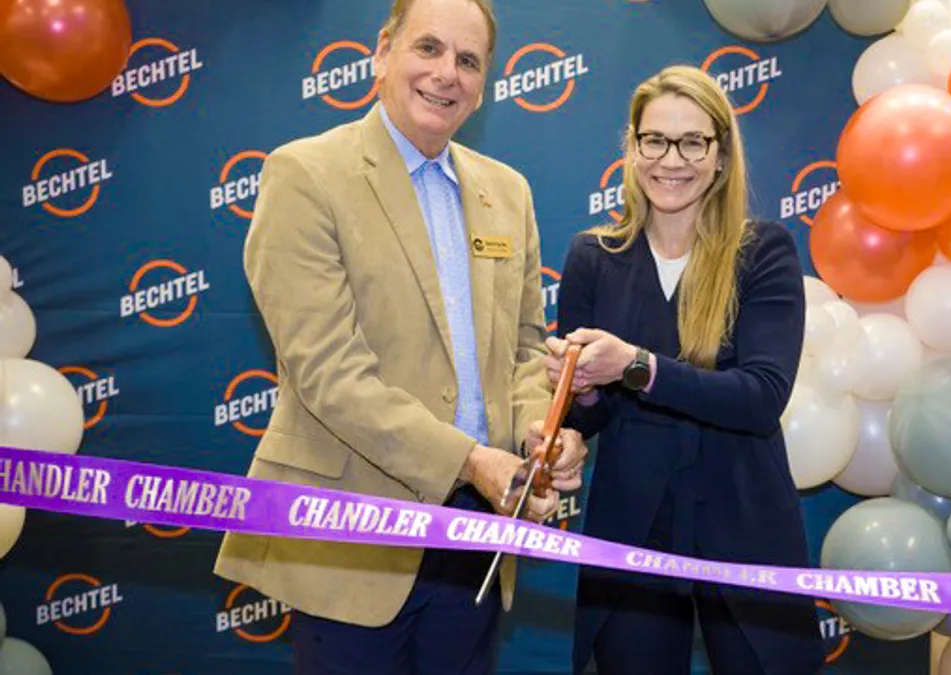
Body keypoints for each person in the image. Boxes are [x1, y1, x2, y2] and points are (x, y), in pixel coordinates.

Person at [212, 0, 587, 673]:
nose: (447, 74)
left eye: (468, 61)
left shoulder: (510, 192)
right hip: (351, 537)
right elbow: (329, 373)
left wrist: (539, 429)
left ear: (484, 84)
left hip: (476, 536)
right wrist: (471, 458)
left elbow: (528, 349)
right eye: (429, 49)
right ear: (383, 52)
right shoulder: (305, 175)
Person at [544, 65, 825, 674]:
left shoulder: (764, 251)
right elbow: (587, 415)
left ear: (720, 156)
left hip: (746, 523)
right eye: (655, 140)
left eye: (693, 141)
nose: (672, 160)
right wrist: (580, 398)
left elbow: (759, 398)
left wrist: (637, 366)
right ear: (632, 147)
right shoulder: (593, 256)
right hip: (633, 526)